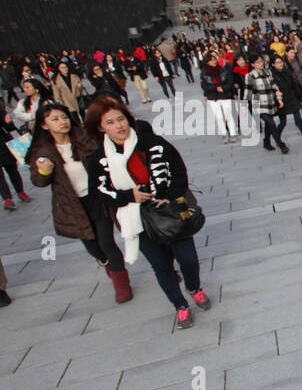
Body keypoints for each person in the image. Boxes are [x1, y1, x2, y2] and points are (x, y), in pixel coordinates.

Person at [82, 96, 211, 330]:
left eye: (121, 119)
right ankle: (179, 306)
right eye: (110, 122)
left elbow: (179, 171)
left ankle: (194, 287)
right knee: (161, 266)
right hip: (136, 220)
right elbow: (98, 193)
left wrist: (169, 195)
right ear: (101, 127)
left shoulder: (152, 142)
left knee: (189, 260)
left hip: (169, 212)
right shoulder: (98, 159)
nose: (119, 125)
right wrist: (128, 196)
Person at [28, 102, 132, 302]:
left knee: (106, 242)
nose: (62, 122)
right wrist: (44, 170)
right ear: (44, 125)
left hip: (98, 198)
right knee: (94, 248)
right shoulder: (42, 152)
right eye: (55, 119)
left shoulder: (85, 139)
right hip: (72, 206)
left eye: (64, 117)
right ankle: (109, 267)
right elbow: (39, 182)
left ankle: (121, 285)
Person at [271, 54, 302, 147]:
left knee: (298, 120)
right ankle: (278, 139)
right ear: (273, 64)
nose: (280, 64)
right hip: (281, 101)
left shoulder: (287, 72)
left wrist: (301, 98)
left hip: (292, 98)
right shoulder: (272, 75)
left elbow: (295, 86)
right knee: (283, 122)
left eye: (281, 62)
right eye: (277, 63)